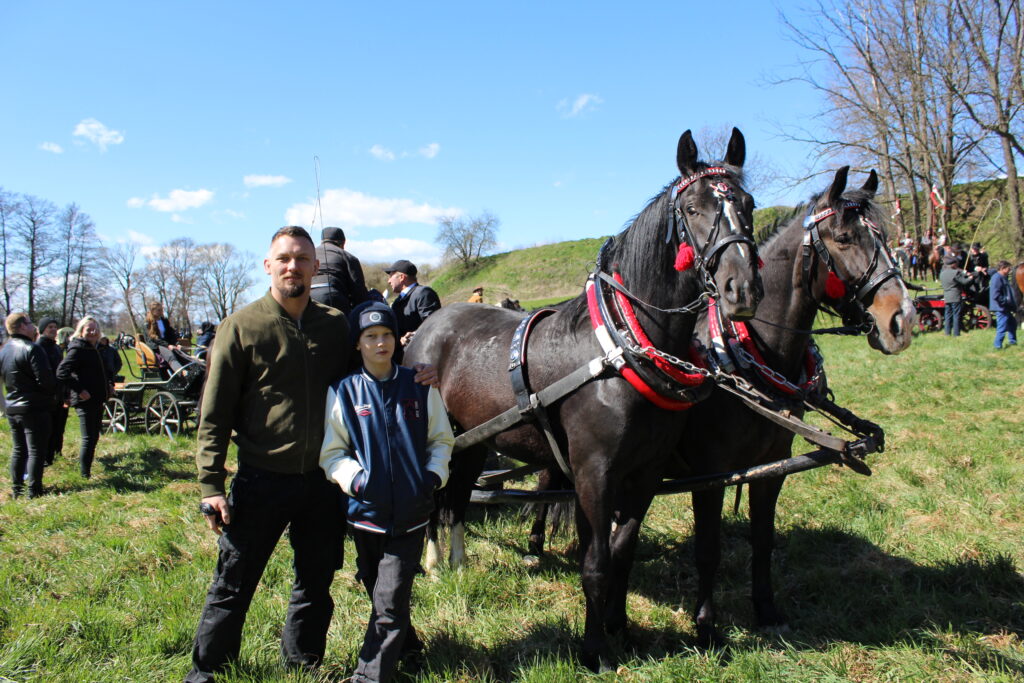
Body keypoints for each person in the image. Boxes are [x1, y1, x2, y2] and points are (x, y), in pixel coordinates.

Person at [186, 226, 437, 683]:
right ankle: (207, 671)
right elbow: (214, 411)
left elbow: (367, 371)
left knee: (315, 581)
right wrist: (211, 485)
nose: (292, 266)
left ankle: (302, 664)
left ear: (314, 266)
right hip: (262, 477)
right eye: (283, 258)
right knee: (234, 580)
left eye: (301, 259)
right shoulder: (241, 326)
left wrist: (411, 373)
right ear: (268, 265)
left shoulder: (333, 325)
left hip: (321, 483)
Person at [320, 301, 454, 683]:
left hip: (411, 514)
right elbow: (333, 453)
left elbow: (441, 440)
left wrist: (431, 478)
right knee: (377, 589)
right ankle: (410, 648)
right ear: (358, 344)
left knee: (390, 600)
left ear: (397, 339)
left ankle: (369, 676)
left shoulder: (419, 386)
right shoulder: (344, 392)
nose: (380, 343)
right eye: (370, 337)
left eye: (387, 335)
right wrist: (357, 482)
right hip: (365, 515)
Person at [0, 313, 54, 498]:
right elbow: (45, 381)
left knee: (18, 449)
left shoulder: (4, 350)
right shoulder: (32, 349)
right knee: (36, 450)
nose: (34, 328)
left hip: (12, 406)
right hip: (33, 407)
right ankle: (34, 491)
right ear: (22, 326)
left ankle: (16, 490)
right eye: (30, 324)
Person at [56, 316, 111, 479]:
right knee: (88, 437)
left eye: (95, 329)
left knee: (94, 435)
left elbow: (102, 371)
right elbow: (61, 372)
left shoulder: (95, 348)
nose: (92, 332)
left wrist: (108, 384)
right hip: (84, 401)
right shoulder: (78, 349)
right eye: (88, 329)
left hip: (97, 398)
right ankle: (84, 474)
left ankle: (87, 468)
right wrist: (79, 390)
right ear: (81, 331)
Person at [310, 226, 369, 315]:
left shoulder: (310, 255)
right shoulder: (348, 257)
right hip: (334, 297)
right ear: (343, 243)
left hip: (308, 297)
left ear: (322, 241)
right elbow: (359, 291)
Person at [385, 260, 441, 346]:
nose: (389, 281)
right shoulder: (397, 302)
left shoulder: (423, 293)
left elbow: (433, 325)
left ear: (401, 277)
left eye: (391, 276)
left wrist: (413, 336)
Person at [36, 317, 68, 466]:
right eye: (50, 327)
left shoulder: (56, 347)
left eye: (55, 327)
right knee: (46, 428)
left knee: (59, 426)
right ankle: (45, 457)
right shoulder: (39, 347)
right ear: (43, 330)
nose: (53, 330)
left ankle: (56, 453)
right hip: (46, 394)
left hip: (59, 392)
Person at [939, 254, 974, 337]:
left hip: (947, 296)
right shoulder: (955, 273)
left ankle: (947, 332)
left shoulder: (942, 274)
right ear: (953, 264)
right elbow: (964, 282)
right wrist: (970, 278)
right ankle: (956, 333)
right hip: (955, 296)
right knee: (956, 315)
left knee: (947, 316)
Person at [989, 260, 1018, 350]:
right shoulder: (997, 278)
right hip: (1001, 307)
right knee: (1002, 327)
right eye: (1008, 268)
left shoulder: (1003, 277)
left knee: (1012, 323)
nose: (1010, 270)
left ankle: (1013, 342)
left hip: (1006, 307)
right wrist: (1004, 302)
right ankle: (998, 346)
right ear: (1002, 268)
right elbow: (995, 295)